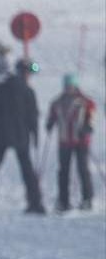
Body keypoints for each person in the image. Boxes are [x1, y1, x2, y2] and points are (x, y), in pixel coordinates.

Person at [0, 59, 43, 213]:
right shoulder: (28, 91)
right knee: (27, 171)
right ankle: (35, 202)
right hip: (21, 136)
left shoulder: (1, 88)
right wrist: (35, 137)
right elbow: (33, 116)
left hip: (1, 136)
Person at [46, 73, 96, 212]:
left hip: (81, 141)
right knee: (63, 171)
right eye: (66, 86)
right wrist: (50, 123)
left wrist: (87, 127)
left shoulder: (85, 101)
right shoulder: (58, 102)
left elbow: (91, 115)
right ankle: (63, 201)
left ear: (75, 86)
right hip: (64, 141)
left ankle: (87, 199)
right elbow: (52, 115)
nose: (69, 89)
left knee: (83, 170)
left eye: (71, 86)